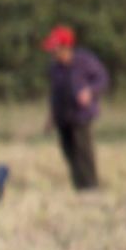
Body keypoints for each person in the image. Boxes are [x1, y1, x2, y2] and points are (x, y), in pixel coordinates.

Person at [42, 25, 110, 192]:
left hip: (81, 115)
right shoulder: (54, 68)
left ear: (66, 47)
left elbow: (102, 79)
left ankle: (91, 187)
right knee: (69, 152)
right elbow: (54, 94)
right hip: (63, 117)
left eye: (55, 48)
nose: (53, 52)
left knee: (83, 152)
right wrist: (51, 117)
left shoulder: (85, 61)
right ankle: (79, 187)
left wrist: (90, 91)